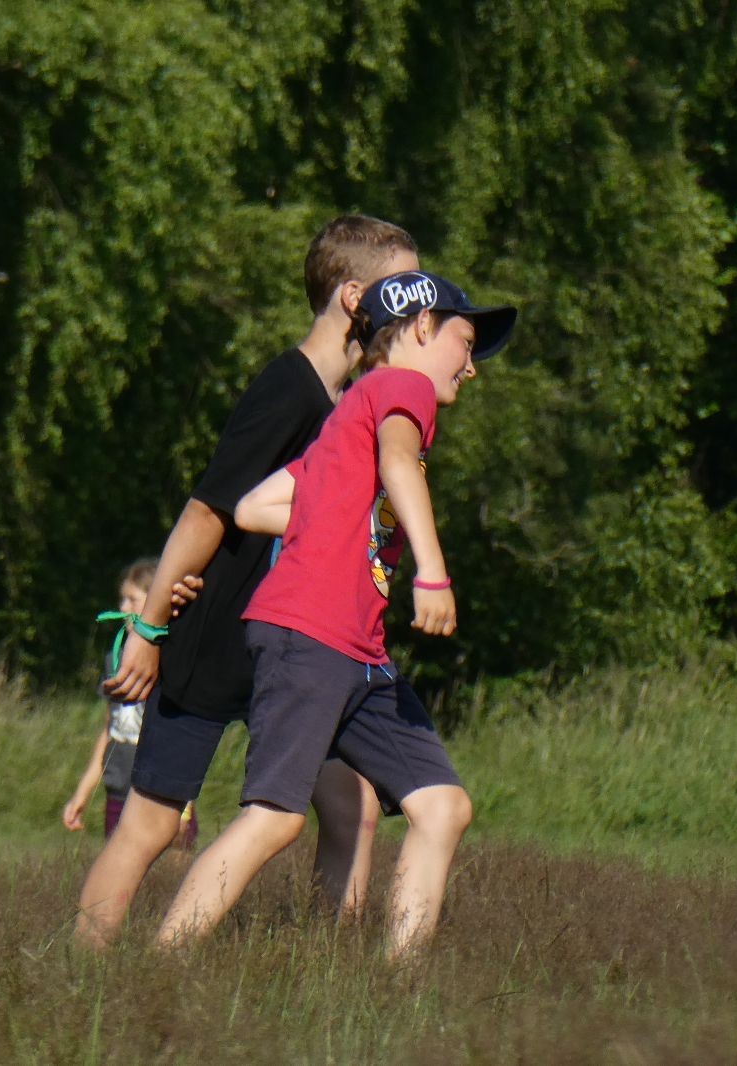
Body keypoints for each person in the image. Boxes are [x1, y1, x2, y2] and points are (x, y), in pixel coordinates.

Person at [73, 216, 422, 949]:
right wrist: (149, 628)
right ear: (353, 297)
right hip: (216, 636)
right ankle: (86, 964)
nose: (419, 308)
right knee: (151, 821)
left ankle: (327, 972)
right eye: (402, 291)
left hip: (303, 642)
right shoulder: (288, 389)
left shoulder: (356, 405)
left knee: (351, 807)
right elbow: (207, 510)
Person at [155, 270, 516, 960]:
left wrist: (335, 518)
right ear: (420, 327)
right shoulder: (403, 388)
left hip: (360, 653)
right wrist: (433, 573)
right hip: (312, 635)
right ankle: (162, 962)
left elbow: (255, 507)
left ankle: (398, 982)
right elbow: (401, 464)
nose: (471, 367)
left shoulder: (347, 418)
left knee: (443, 806)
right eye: (466, 343)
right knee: (274, 818)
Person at [62, 558, 197, 846]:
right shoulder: (114, 658)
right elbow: (110, 730)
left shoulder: (173, 660)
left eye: (132, 599)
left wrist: (185, 808)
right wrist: (82, 794)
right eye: (122, 599)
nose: (123, 608)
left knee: (173, 867)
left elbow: (185, 738)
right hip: (118, 791)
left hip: (163, 795)